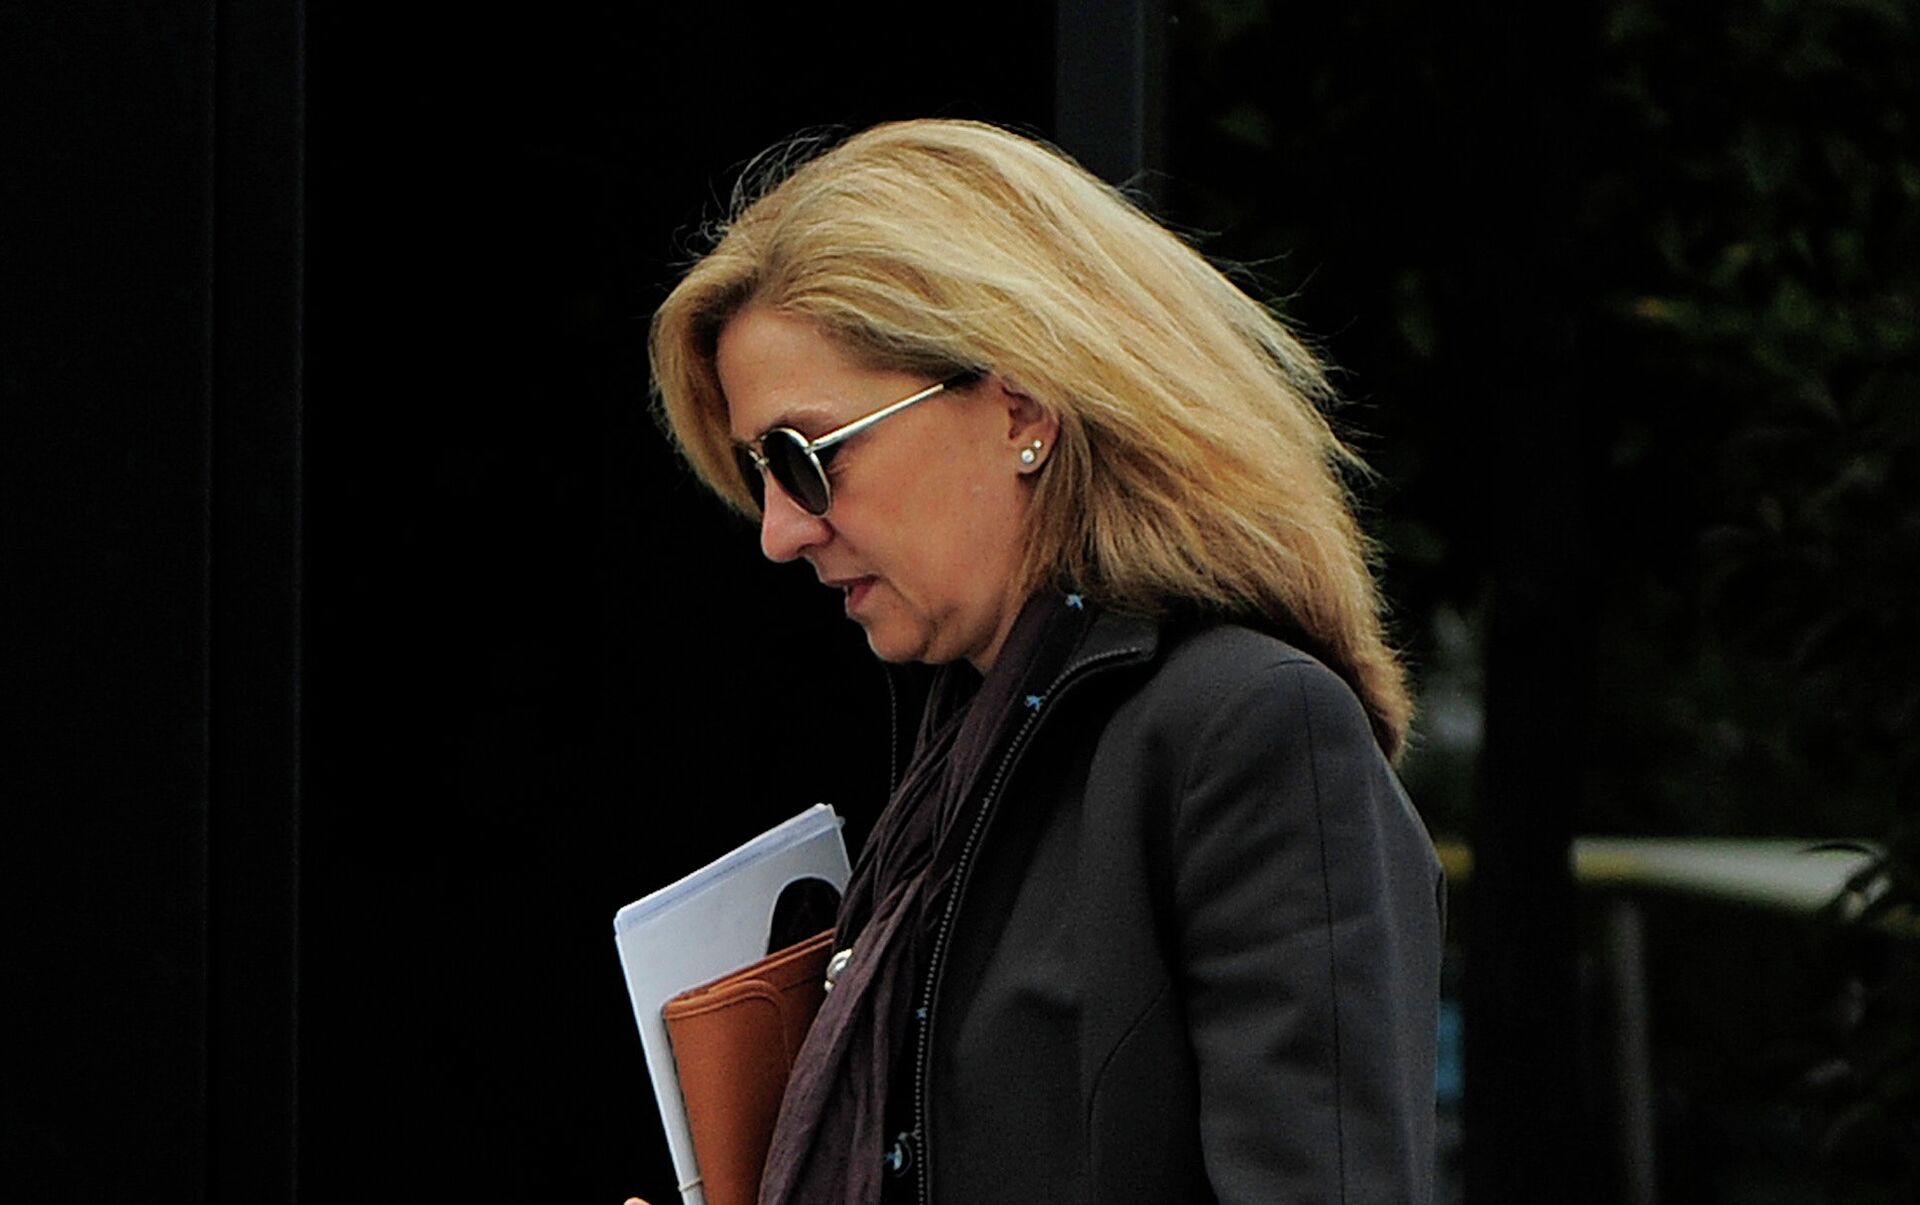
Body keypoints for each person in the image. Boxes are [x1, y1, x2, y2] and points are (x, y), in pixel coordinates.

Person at [646, 118, 1444, 1204]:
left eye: (802, 457)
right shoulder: (964, 758)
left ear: (1020, 412)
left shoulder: (1250, 730)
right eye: (757, 474)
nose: (780, 531)